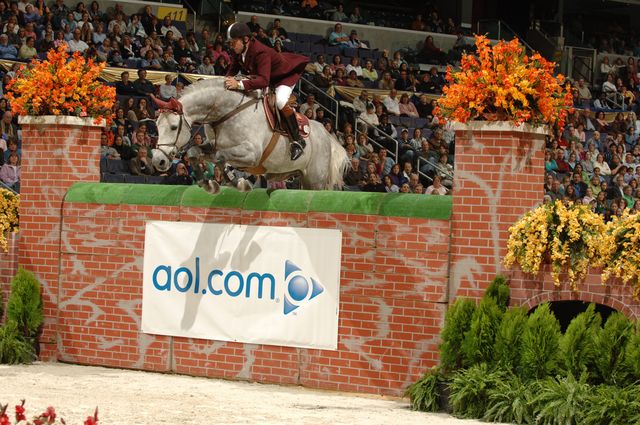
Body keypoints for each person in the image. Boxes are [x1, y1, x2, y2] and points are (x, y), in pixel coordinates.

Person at [224, 22, 309, 161]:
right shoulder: (239, 50)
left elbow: (263, 81)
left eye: (234, 42)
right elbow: (233, 69)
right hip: (267, 77)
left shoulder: (260, 52)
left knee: (280, 101)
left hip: (284, 77)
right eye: (230, 43)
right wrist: (226, 80)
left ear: (245, 39)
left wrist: (238, 84)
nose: (231, 46)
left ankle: (297, 140)